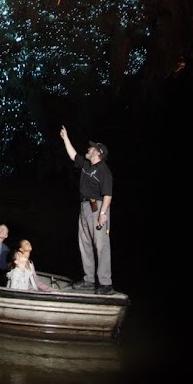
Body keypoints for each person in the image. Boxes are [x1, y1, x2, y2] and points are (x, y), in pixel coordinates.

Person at [60, 125, 114, 295]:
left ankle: (105, 283)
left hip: (97, 209)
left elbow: (108, 194)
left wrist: (103, 214)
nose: (88, 148)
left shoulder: (103, 170)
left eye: (92, 147)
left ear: (98, 153)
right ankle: (89, 280)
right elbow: (73, 155)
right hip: (84, 207)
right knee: (85, 244)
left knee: (101, 246)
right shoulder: (86, 165)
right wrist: (65, 138)